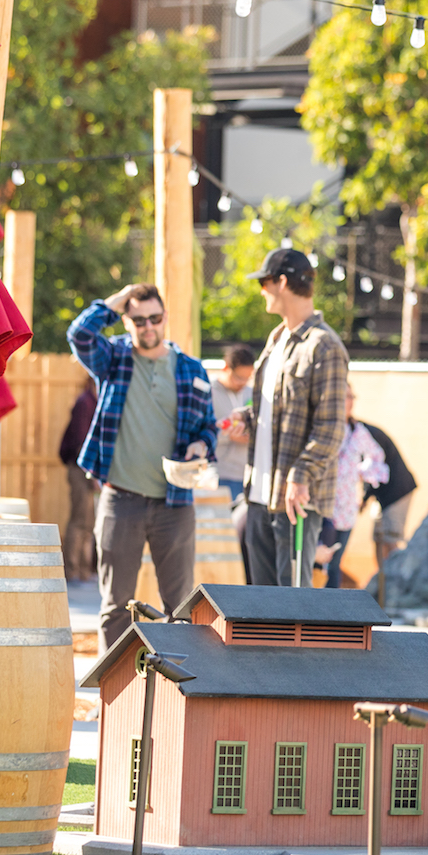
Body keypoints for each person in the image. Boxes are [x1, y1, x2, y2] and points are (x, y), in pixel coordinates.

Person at [68, 282, 217, 646]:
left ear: (165, 318)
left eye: (154, 318)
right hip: (122, 501)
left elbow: (208, 427)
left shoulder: (191, 370)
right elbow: (79, 334)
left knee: (180, 609)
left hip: (175, 505)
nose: (147, 327)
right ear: (127, 322)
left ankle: (175, 693)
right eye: (137, 320)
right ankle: (109, 700)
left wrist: (201, 444)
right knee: (115, 605)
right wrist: (116, 301)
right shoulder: (113, 359)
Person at [231, 249, 348, 588]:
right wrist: (247, 418)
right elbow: (275, 411)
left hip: (295, 498)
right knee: (262, 608)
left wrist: (300, 477)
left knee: (292, 606)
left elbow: (330, 428)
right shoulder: (276, 339)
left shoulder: (325, 346)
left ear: (281, 282)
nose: (261, 290)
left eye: (264, 282)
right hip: (258, 495)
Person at [320, 384, 387, 588]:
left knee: (336, 562)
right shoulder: (324, 427)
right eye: (345, 396)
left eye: (351, 397)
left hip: (347, 506)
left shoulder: (357, 431)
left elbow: (376, 456)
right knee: (322, 563)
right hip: (325, 506)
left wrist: (363, 471)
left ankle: (331, 615)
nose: (349, 401)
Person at [360, 418, 416, 568]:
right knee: (378, 537)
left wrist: (364, 497)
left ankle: (395, 581)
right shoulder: (361, 433)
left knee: (391, 539)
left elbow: (372, 468)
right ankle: (381, 582)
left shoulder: (364, 435)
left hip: (396, 492)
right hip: (381, 495)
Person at [59, 378, 99, 582]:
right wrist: (91, 473)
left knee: (88, 522)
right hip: (80, 469)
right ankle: (72, 571)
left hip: (87, 470)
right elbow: (81, 441)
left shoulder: (94, 402)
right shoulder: (85, 403)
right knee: (79, 521)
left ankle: (84, 571)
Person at [211, 344, 255, 500]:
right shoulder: (209, 393)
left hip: (250, 475)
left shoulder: (252, 393)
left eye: (247, 378)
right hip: (222, 474)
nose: (242, 383)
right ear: (225, 368)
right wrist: (229, 436)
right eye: (238, 377)